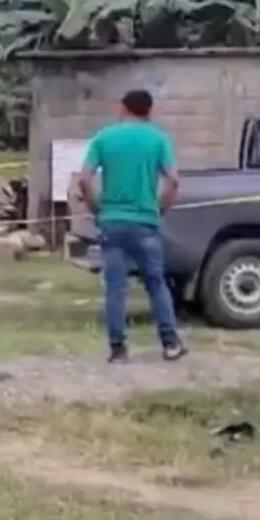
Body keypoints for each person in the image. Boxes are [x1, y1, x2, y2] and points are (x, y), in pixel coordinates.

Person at [76, 88, 187, 364]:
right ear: (149, 111)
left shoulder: (104, 137)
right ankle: (170, 343)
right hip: (145, 221)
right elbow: (173, 180)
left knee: (115, 287)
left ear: (123, 107)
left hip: (112, 221)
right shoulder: (158, 139)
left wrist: (96, 208)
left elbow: (84, 178)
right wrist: (159, 209)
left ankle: (118, 349)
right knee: (156, 283)